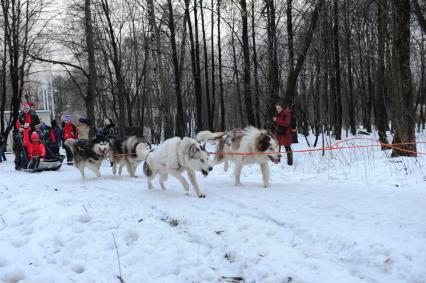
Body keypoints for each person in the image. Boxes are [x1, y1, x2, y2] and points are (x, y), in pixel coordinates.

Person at [273, 101, 293, 166]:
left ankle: (290, 163)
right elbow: (278, 124)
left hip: (286, 134)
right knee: (277, 149)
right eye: (276, 108)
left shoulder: (287, 113)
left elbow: (287, 123)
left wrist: (277, 120)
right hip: (279, 134)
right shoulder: (279, 114)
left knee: (287, 148)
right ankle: (278, 162)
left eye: (278, 108)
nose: (277, 110)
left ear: (282, 108)